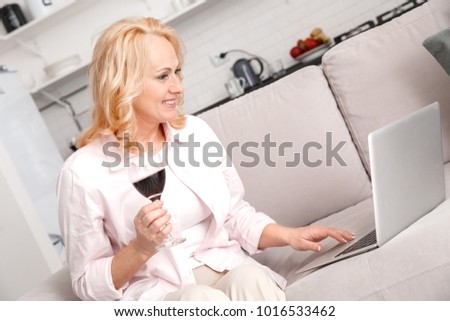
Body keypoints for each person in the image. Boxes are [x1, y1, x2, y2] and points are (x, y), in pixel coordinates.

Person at [57, 17, 355, 301]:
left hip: (225, 265)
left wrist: (290, 235)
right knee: (199, 299)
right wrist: (140, 248)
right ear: (123, 86)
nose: (178, 87)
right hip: (160, 293)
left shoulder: (194, 132)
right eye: (163, 76)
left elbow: (233, 214)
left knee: (251, 279)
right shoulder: (82, 172)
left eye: (177, 72)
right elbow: (86, 281)